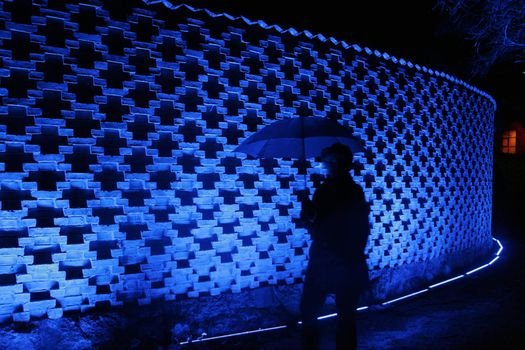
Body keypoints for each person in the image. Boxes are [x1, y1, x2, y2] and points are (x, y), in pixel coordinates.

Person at [299, 142, 371, 350]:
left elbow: (320, 224)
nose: (329, 165)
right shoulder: (351, 190)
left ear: (344, 164)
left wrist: (309, 212)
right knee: (345, 316)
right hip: (344, 261)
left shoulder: (331, 190)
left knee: (311, 311)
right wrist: (309, 210)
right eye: (328, 160)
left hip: (330, 261)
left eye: (333, 161)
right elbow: (317, 222)